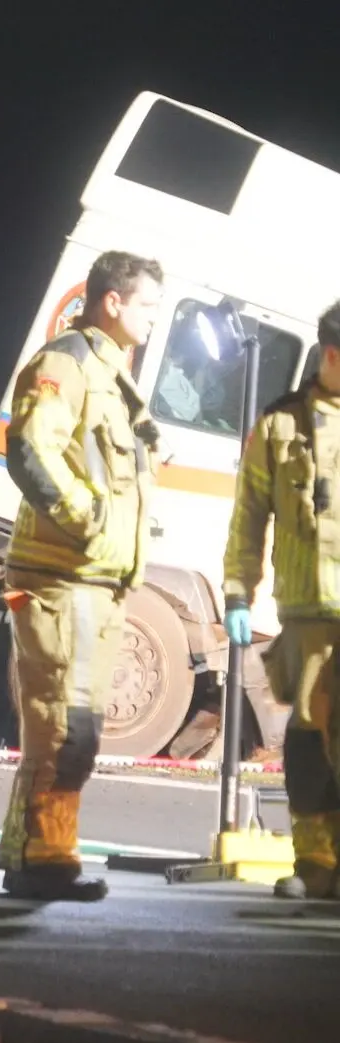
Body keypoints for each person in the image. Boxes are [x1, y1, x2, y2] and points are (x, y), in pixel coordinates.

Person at [0, 250, 163, 901]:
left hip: (95, 581)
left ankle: (36, 855)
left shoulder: (115, 378)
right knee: (65, 725)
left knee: (69, 726)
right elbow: (30, 448)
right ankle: (46, 860)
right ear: (112, 302)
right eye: (146, 304)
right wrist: (89, 518)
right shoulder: (67, 363)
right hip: (64, 577)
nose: (154, 317)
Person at [224, 300, 340, 900]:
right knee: (308, 737)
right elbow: (248, 516)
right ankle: (314, 865)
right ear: (329, 355)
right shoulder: (281, 425)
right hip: (309, 613)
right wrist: (238, 592)